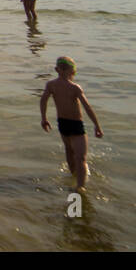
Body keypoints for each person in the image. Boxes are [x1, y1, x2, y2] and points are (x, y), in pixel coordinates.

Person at [40, 56, 103, 192]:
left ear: (57, 69)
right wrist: (97, 126)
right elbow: (87, 107)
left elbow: (43, 100)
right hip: (76, 124)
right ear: (73, 72)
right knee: (81, 157)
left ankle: (74, 176)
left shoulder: (51, 85)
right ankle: (80, 186)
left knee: (69, 150)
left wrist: (44, 118)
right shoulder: (75, 87)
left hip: (62, 123)